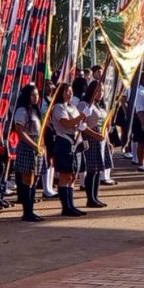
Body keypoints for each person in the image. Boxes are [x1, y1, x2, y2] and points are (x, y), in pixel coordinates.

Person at [48, 83, 87, 218]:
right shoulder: (58, 107)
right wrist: (82, 116)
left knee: (73, 176)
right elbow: (67, 123)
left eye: (71, 91)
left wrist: (82, 124)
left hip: (75, 141)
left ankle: (71, 205)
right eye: (67, 92)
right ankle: (66, 207)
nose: (70, 94)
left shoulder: (73, 107)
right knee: (66, 175)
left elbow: (76, 123)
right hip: (64, 141)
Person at [12, 85, 44, 223]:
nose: (35, 98)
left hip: (37, 145)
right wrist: (33, 145)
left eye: (37, 95)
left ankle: (31, 209)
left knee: (35, 179)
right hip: (27, 145)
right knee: (27, 179)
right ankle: (27, 212)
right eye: (32, 95)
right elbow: (20, 131)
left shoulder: (35, 111)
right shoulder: (22, 111)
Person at [80, 81, 111, 209]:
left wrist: (107, 140)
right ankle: (90, 198)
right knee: (92, 170)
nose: (100, 93)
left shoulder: (99, 105)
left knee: (98, 170)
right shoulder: (84, 104)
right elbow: (81, 125)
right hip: (91, 138)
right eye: (98, 91)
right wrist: (94, 135)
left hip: (101, 139)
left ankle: (95, 197)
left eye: (102, 91)